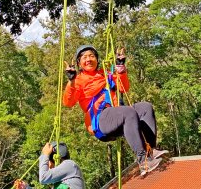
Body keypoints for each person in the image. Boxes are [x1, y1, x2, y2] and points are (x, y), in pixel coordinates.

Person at [63, 44, 167, 176]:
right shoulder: (78, 81)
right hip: (101, 120)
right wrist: (71, 81)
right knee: (127, 111)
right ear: (79, 63)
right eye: (84, 57)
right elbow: (68, 102)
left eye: (91, 56)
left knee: (145, 107)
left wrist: (120, 67)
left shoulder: (106, 75)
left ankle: (151, 150)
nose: (88, 59)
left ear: (97, 59)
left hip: (118, 115)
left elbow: (123, 88)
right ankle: (143, 161)